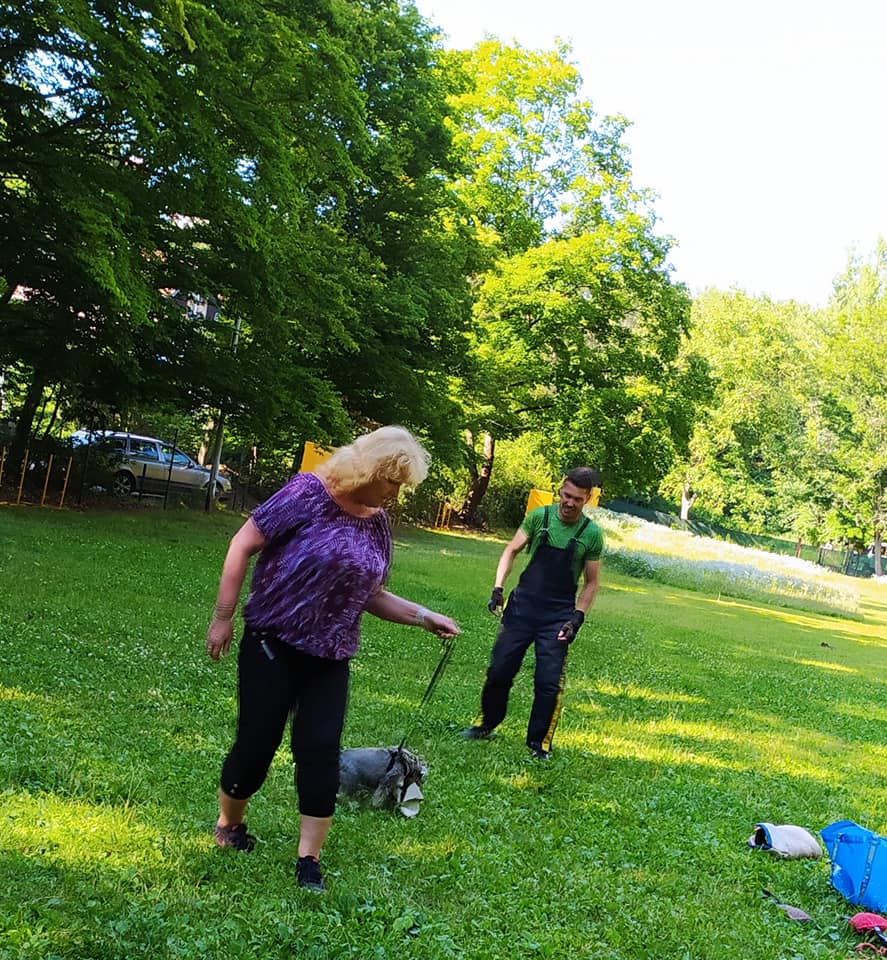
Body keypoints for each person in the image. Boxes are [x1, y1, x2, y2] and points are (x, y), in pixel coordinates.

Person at [206, 426, 460, 891]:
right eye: (392, 482)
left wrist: (424, 616)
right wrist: (223, 617)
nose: (395, 494)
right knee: (256, 745)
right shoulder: (307, 494)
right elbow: (242, 543)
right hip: (272, 640)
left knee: (320, 750)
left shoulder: (378, 522)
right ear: (369, 470)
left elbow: (371, 594)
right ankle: (230, 824)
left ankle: (309, 860)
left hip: (331, 653)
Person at [462, 467, 603, 759]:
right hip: (522, 608)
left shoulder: (591, 534)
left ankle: (539, 744)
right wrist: (498, 587)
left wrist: (577, 617)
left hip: (558, 616)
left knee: (548, 682)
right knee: (499, 669)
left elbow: (591, 583)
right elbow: (511, 550)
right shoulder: (540, 517)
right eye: (566, 495)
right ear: (560, 490)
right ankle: (486, 723)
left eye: (577, 499)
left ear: (587, 499)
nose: (569, 503)